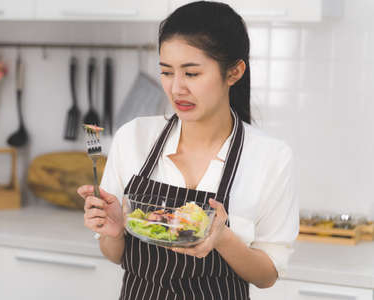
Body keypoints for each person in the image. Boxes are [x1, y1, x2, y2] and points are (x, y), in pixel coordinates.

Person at [78, 1, 299, 299]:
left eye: (192, 74)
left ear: (234, 72)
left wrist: (222, 238)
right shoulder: (133, 138)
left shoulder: (270, 157)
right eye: (167, 72)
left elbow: (268, 274)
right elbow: (115, 254)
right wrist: (114, 230)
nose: (176, 88)